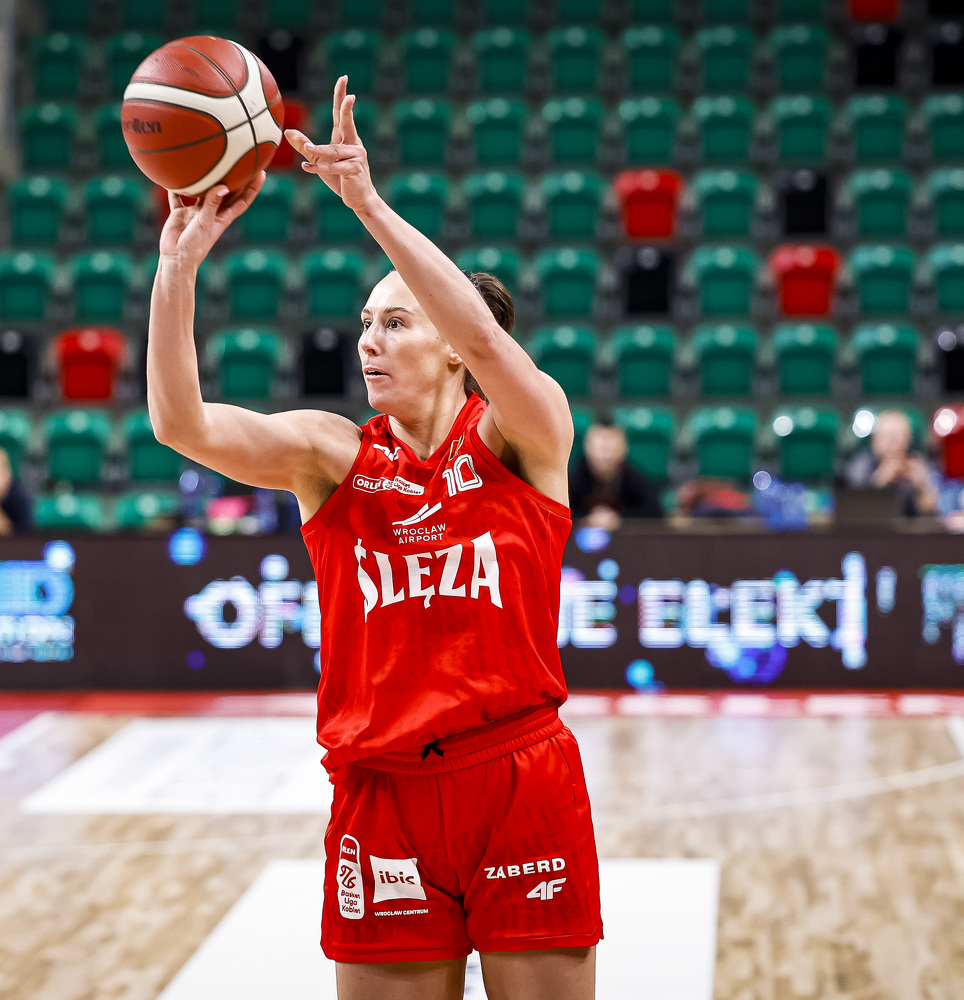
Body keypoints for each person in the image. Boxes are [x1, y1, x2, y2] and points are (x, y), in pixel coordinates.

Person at [146, 77, 599, 1000]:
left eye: (395, 322)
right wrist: (176, 271)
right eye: (363, 324)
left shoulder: (525, 435)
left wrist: (366, 202)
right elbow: (179, 426)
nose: (368, 342)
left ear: (454, 347)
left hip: (517, 777)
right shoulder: (331, 454)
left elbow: (487, 338)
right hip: (381, 794)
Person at [843, 409, 939, 516]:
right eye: (888, 435)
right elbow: (853, 507)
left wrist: (921, 488)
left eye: (900, 435)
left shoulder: (918, 464)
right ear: (875, 439)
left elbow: (933, 509)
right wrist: (880, 481)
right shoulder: (861, 464)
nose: (894, 441)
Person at [568, 421, 663, 528]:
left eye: (609, 447)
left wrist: (619, 520)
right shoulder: (574, 478)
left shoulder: (635, 479)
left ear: (624, 448)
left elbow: (655, 512)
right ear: (587, 447)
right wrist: (587, 520)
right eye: (600, 447)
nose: (604, 455)